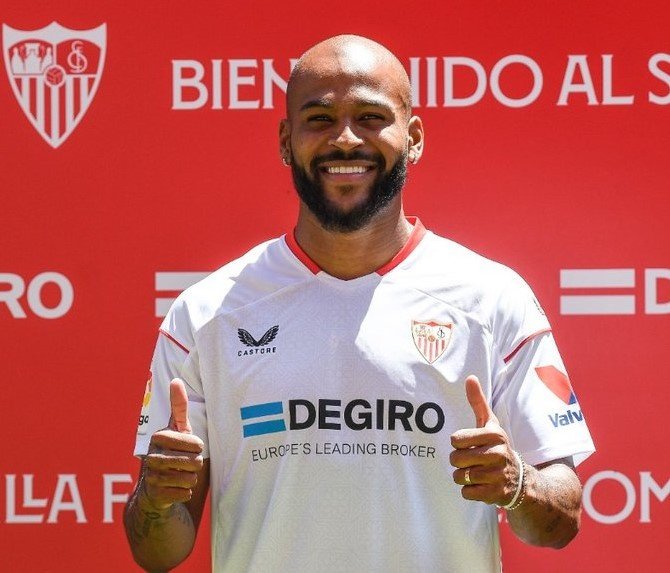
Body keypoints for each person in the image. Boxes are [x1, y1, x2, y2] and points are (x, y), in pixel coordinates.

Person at [124, 34, 595, 572]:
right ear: (285, 139)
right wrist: (156, 502)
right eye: (319, 119)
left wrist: (518, 485)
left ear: (413, 137)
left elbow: (563, 516)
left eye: (372, 116)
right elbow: (156, 551)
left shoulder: (492, 299)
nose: (345, 140)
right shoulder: (205, 314)